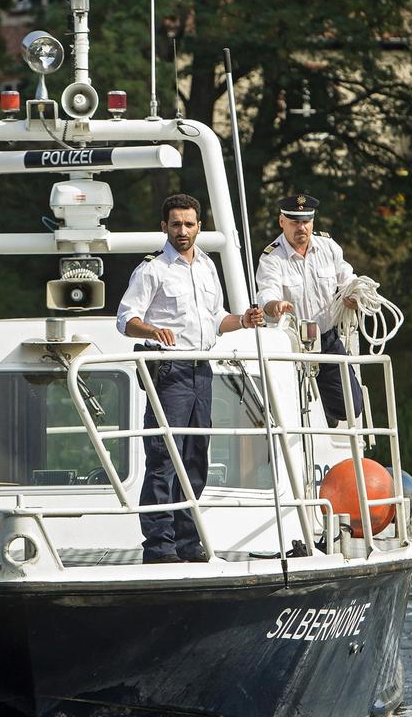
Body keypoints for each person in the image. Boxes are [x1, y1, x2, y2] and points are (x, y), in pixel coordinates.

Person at [116, 193, 264, 564]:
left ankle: (187, 541)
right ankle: (159, 546)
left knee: (196, 458)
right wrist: (149, 330)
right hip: (169, 372)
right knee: (165, 459)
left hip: (202, 371)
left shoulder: (208, 268)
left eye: (189, 223)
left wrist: (243, 320)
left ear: (199, 227)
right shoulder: (151, 269)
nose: (183, 230)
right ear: (164, 226)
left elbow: (217, 319)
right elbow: (124, 318)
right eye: (176, 224)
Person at [255, 193, 364, 425]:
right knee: (291, 413)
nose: (301, 228)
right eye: (294, 222)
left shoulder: (329, 247)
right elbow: (266, 292)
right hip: (292, 346)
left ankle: (327, 409)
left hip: (327, 338)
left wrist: (353, 296)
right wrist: (275, 306)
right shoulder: (272, 258)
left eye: (306, 221)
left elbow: (348, 280)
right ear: (281, 221)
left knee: (352, 408)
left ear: (313, 222)